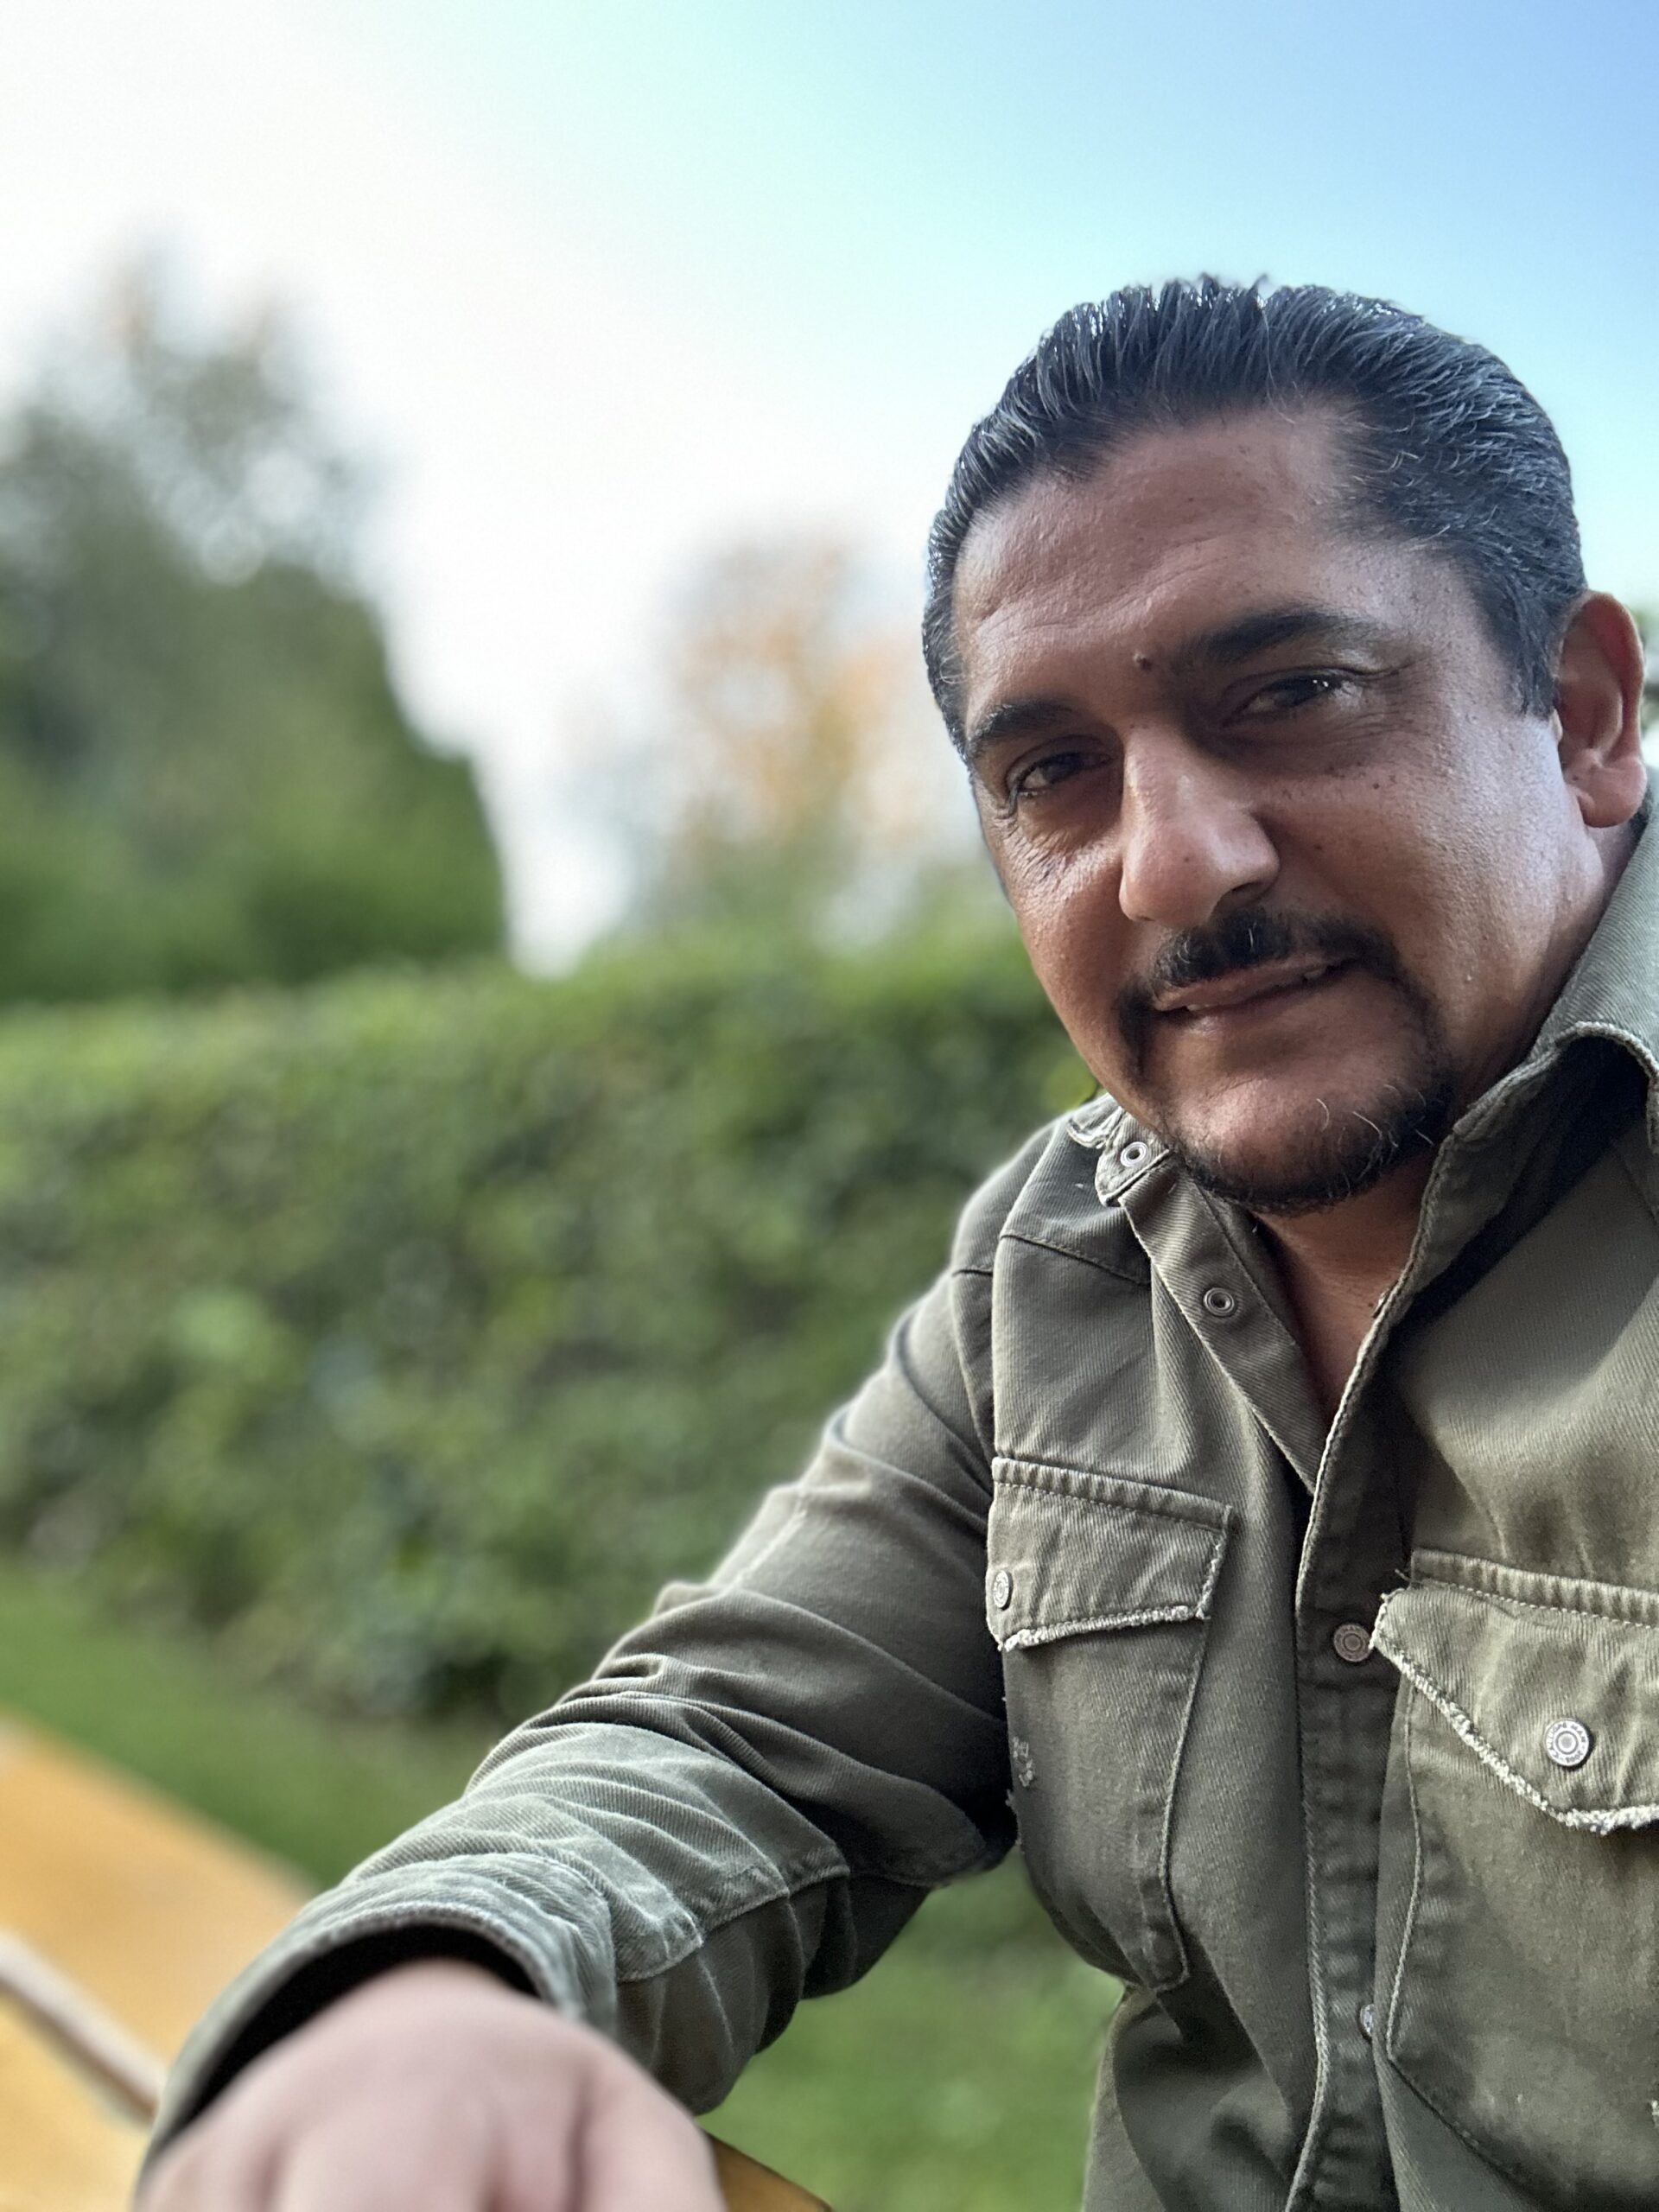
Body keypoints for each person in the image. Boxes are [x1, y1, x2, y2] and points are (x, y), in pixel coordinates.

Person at [140, 279, 1656, 2212]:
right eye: (1052, 774)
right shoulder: (1060, 1268)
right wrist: (438, 1989)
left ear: (1585, 715)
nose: (1170, 861)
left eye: (1290, 693)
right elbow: (744, 1733)